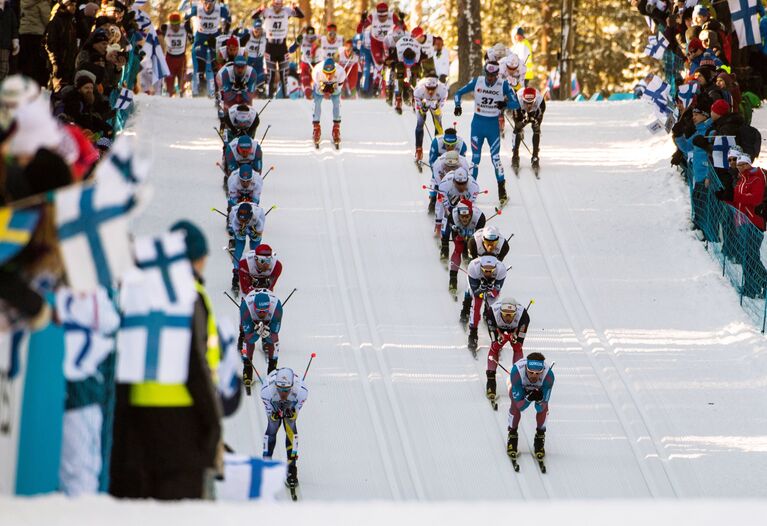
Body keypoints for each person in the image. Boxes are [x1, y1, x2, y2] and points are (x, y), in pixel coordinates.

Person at [110, 221, 222, 500]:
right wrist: (213, 423)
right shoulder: (188, 297)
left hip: (136, 417)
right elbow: (195, 363)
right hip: (183, 419)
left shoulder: (136, 293)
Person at [454, 61, 519, 205]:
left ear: (497, 74)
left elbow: (517, 104)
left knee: (495, 158)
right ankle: (468, 192)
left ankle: (502, 192)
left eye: (493, 75)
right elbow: (458, 93)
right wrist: (457, 106)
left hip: (492, 127)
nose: (490, 78)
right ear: (485, 73)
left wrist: (505, 104)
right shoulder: (478, 81)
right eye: (488, 75)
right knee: (475, 159)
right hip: (477, 125)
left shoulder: (503, 84)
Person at [260, 368, 308, 487]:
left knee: (291, 426)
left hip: (292, 401)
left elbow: (295, 414)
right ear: (275, 386)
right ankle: (266, 464)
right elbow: (270, 415)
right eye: (280, 389)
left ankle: (292, 468)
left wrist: (292, 414)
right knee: (272, 427)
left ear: (291, 387)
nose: (283, 393)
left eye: (286, 390)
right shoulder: (266, 391)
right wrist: (275, 416)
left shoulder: (302, 391)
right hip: (273, 401)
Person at [506, 352, 554, 462]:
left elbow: (540, 407)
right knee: (514, 406)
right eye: (531, 372)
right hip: (521, 388)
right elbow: (520, 406)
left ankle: (540, 436)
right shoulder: (516, 371)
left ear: (542, 371)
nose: (534, 376)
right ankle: (512, 434)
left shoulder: (549, 376)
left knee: (544, 410)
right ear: (526, 369)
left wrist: (539, 399)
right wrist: (528, 398)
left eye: (538, 373)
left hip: (540, 389)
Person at [731, 154, 767, 298]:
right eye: (738, 165)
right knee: (749, 256)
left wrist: (734, 197)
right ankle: (757, 285)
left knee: (749, 256)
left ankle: (752, 288)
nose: (739, 167)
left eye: (742, 164)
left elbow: (755, 199)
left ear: (748, 164)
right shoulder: (742, 180)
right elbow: (738, 201)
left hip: (752, 222)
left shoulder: (756, 178)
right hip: (741, 221)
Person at [252, 0, 305, 98]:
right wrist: (260, 9)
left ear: (282, 5)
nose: (277, 7)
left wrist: (295, 7)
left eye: (279, 5)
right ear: (272, 4)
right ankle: (269, 97)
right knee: (270, 75)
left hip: (282, 47)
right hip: (270, 47)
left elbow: (301, 16)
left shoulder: (286, 11)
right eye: (275, 4)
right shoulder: (268, 11)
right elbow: (253, 17)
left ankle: (285, 97)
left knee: (283, 75)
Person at [485, 298, 530, 402]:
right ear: (500, 312)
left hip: (516, 328)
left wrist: (515, 339)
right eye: (505, 314)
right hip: (498, 327)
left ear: (516, 313)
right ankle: (491, 380)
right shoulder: (492, 313)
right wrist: (499, 340)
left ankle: (518, 379)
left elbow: (519, 344)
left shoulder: (524, 316)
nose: (508, 318)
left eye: (511, 314)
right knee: (495, 346)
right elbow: (494, 342)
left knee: (517, 347)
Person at [461, 255, 507, 352]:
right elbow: (475, 292)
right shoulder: (473, 267)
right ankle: (473, 334)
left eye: (491, 271)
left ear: (495, 268)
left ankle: (495, 334)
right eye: (485, 270)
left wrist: (491, 289)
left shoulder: (501, 270)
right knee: (476, 305)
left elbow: (496, 292)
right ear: (481, 267)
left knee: (493, 308)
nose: (488, 273)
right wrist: (481, 289)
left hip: (491, 285)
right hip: (476, 281)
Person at [186, 0, 231, 96]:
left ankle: (217, 90)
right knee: (200, 63)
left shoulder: (220, 9)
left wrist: (224, 32)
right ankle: (201, 89)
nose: (208, 5)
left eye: (211, 3)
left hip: (214, 35)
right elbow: (186, 18)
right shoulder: (197, 8)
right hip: (200, 36)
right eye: (206, 2)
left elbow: (228, 19)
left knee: (216, 63)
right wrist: (190, 35)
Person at [357, 2, 403, 95]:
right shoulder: (372, 17)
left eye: (384, 16)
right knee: (378, 64)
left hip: (388, 42)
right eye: (380, 17)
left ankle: (387, 87)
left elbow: (402, 29)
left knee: (389, 63)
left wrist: (402, 21)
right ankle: (377, 83)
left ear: (387, 13)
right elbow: (359, 30)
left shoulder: (392, 16)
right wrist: (362, 20)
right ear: (377, 14)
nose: (382, 19)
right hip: (376, 42)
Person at [435, 168, 481, 259]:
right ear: (453, 181)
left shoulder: (474, 187)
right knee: (446, 216)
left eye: (463, 184)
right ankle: (445, 245)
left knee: (466, 219)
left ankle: (466, 247)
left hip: (465, 198)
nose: (461, 187)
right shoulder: (444, 185)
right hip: (449, 196)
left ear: (467, 181)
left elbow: (470, 208)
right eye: (458, 184)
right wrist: (451, 219)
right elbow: (446, 207)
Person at [240, 288, 283, 378]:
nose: (262, 314)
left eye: (264, 311)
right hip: (250, 316)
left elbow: (274, 337)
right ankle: (247, 367)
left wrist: (269, 335)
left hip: (271, 317)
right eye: (259, 311)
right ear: (254, 307)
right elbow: (249, 339)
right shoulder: (245, 307)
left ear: (269, 307)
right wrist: (256, 333)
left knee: (272, 341)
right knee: (248, 340)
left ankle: (272, 367)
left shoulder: (277, 308)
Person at [447, 200, 486, 295]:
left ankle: (476, 275)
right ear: (458, 215)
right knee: (458, 248)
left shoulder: (479, 218)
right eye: (462, 217)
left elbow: (478, 237)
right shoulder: (453, 216)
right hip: (459, 232)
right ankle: (453, 279)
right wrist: (455, 229)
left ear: (471, 214)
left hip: (473, 232)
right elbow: (449, 224)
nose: (464, 219)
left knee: (473, 247)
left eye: (467, 217)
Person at [228, 201, 265, 289]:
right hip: (240, 227)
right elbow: (238, 234)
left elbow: (259, 233)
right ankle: (236, 273)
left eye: (245, 219)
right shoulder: (233, 215)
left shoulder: (259, 214)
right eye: (241, 219)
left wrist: (255, 233)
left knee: (255, 250)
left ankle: (257, 272)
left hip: (255, 225)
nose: (243, 221)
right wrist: (240, 231)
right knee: (239, 248)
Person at [311, 58, 346, 147]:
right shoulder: (317, 73)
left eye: (331, 73)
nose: (329, 76)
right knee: (317, 102)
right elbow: (317, 90)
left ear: (335, 71)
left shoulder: (341, 73)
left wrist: (330, 91)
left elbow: (338, 90)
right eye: (326, 73)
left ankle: (336, 128)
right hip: (320, 86)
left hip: (335, 87)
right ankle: (316, 128)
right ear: (323, 71)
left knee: (336, 102)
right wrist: (323, 91)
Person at [45, 0, 78, 92]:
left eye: (75, 5)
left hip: (68, 62)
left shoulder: (71, 21)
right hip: (58, 62)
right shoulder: (56, 21)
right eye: (71, 5)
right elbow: (49, 42)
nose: (74, 7)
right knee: (54, 88)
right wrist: (54, 61)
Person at [412, 76, 447, 163]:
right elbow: (417, 105)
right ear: (425, 86)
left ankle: (439, 149)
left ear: (437, 86)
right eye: (428, 88)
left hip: (436, 103)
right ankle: (418, 150)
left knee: (438, 124)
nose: (430, 91)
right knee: (420, 124)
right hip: (422, 101)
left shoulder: (442, 90)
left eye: (433, 88)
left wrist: (435, 108)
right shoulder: (419, 90)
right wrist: (422, 108)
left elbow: (440, 108)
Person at [511, 86, 546, 170]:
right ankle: (515, 155)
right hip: (520, 109)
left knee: (536, 129)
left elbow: (539, 120)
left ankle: (535, 156)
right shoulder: (517, 101)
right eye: (526, 102)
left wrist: (535, 121)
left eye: (531, 102)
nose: (529, 105)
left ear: (535, 100)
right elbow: (517, 124)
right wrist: (523, 122)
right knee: (517, 129)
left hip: (535, 111)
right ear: (523, 100)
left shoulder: (540, 102)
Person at [17, 0, 51, 87]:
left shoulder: (23, 2)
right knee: (37, 63)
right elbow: (47, 20)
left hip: (24, 33)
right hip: (37, 35)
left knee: (26, 62)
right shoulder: (41, 2)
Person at [429, 149, 471, 214]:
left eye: (454, 166)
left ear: (458, 163)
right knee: (437, 185)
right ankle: (433, 199)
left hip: (457, 177)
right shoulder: (438, 165)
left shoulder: (464, 164)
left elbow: (467, 181)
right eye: (449, 166)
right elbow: (441, 187)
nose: (451, 169)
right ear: (445, 164)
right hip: (442, 176)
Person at [241, 19, 267, 92]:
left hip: (259, 59)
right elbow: (240, 42)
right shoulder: (248, 33)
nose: (257, 31)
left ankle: (260, 91)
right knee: (247, 76)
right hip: (248, 58)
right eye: (255, 29)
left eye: (259, 29)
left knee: (260, 76)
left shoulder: (265, 35)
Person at [298, 25, 317, 98]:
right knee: (306, 82)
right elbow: (297, 39)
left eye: (312, 37)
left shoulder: (317, 39)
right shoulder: (303, 38)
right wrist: (301, 30)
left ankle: (317, 94)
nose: (310, 39)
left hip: (314, 63)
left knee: (317, 81)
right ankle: (308, 94)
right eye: (309, 37)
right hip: (305, 62)